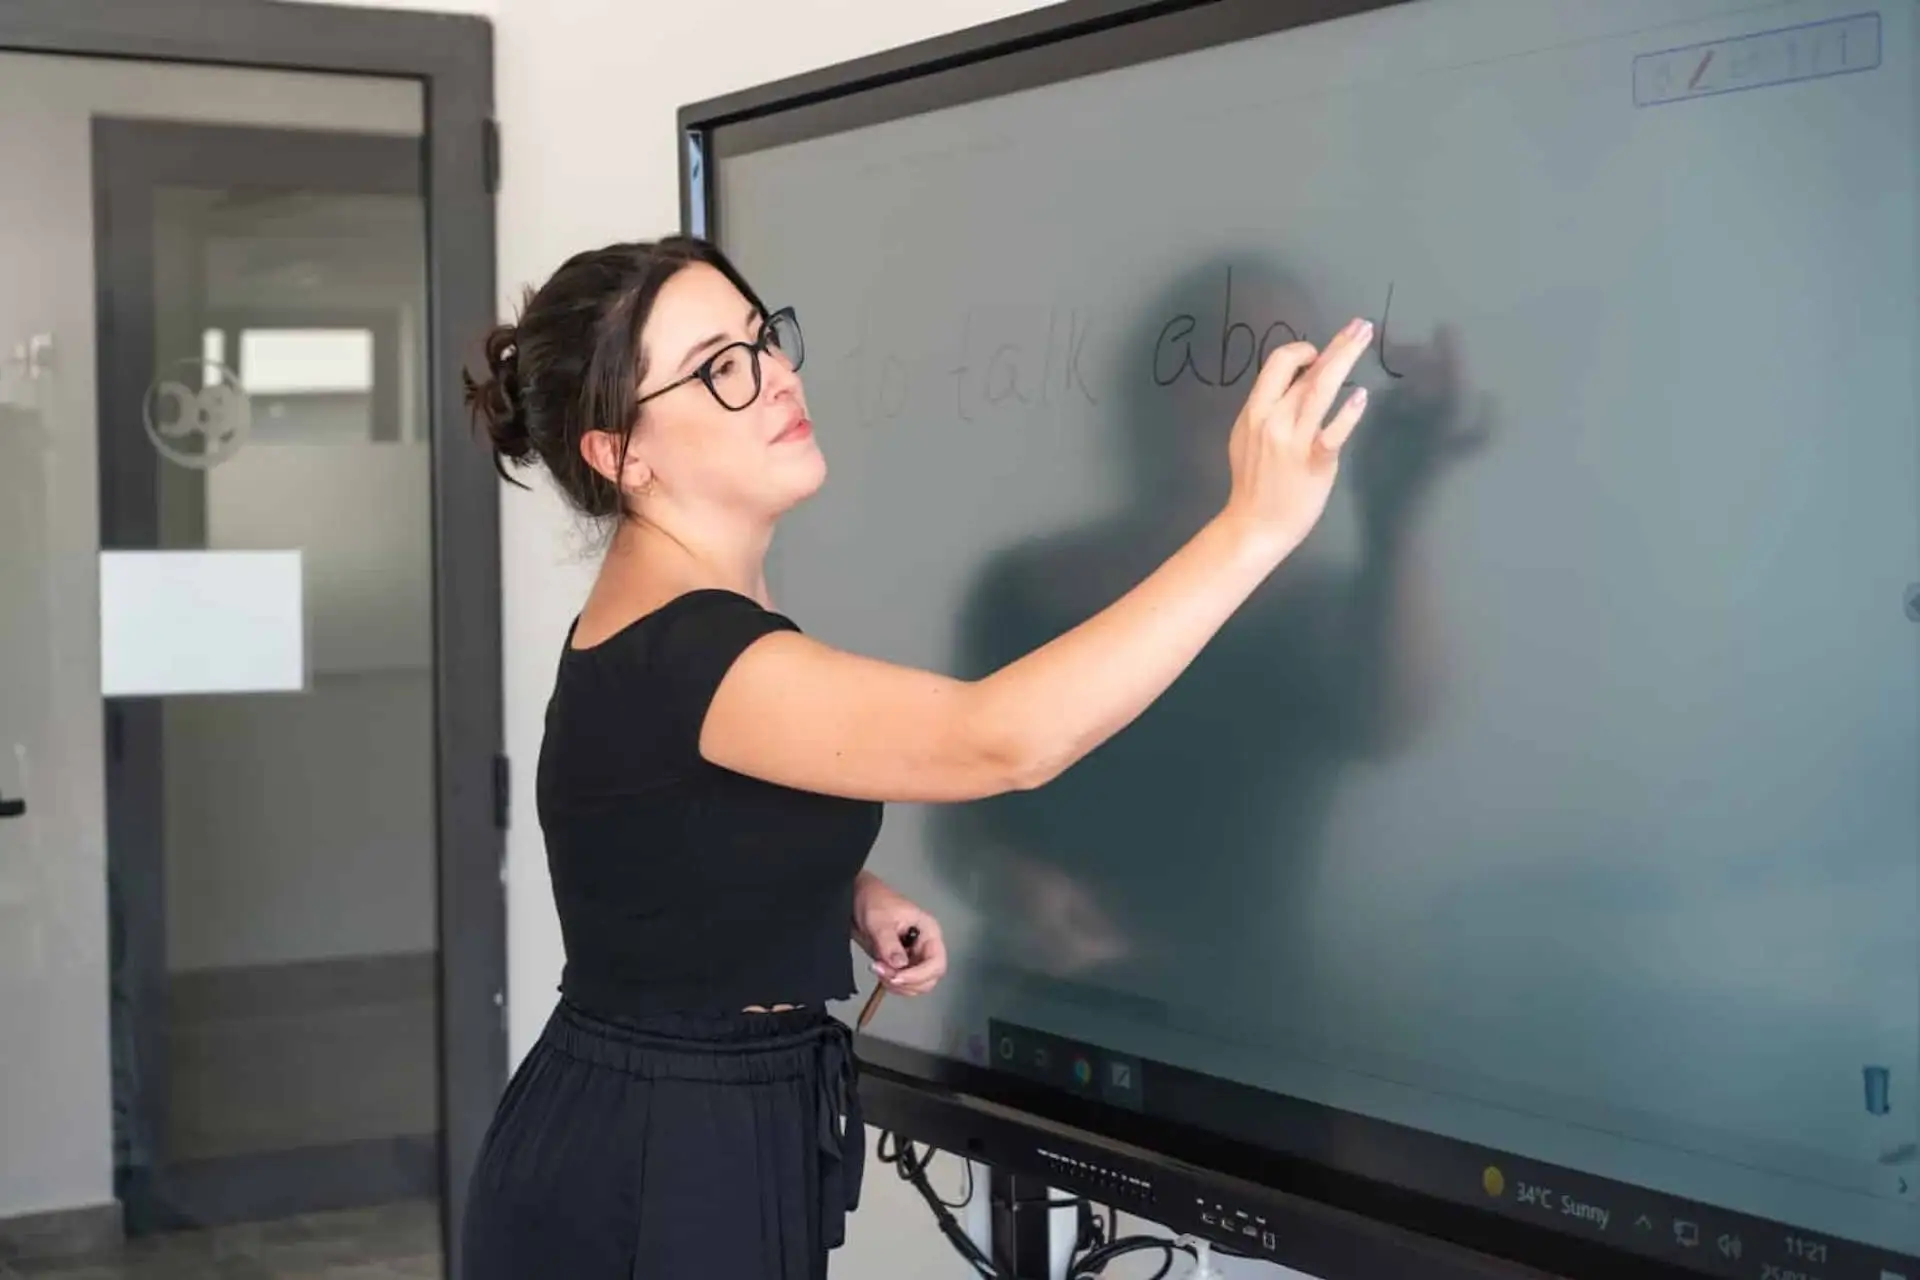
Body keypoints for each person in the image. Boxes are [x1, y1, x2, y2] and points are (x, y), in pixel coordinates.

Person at [456, 233, 1374, 1280]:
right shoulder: (696, 646)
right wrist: (1253, 525)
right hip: (652, 1168)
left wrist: (837, 886)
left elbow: (662, 814)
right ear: (618, 453)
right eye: (720, 367)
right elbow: (1006, 739)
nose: (776, 376)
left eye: (764, 338)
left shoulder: (681, 612)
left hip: (691, 1127)